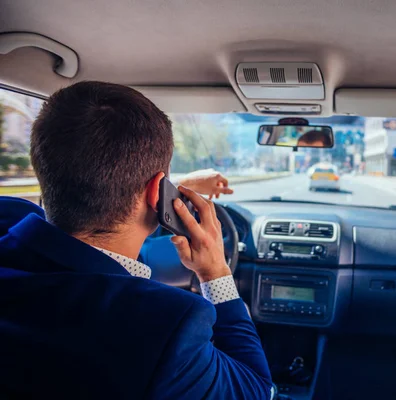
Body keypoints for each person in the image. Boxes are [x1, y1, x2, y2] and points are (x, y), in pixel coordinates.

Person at [0, 82, 272, 399]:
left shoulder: (8, 218)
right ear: (159, 193)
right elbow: (257, 389)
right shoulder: (166, 329)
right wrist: (215, 272)